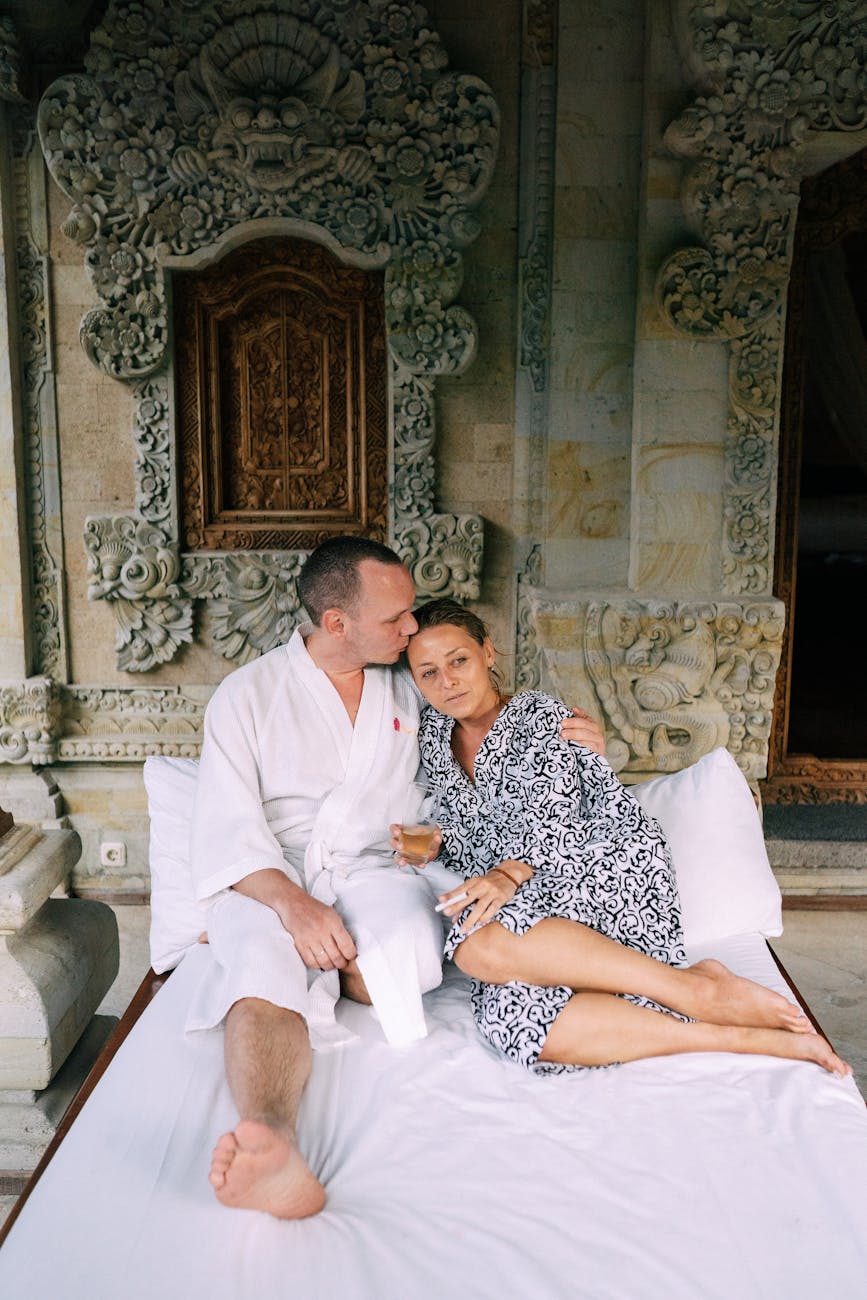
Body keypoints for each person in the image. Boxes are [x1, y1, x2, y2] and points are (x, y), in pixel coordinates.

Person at [190, 537, 606, 1221]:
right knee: (261, 969)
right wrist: (294, 909)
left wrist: (568, 742)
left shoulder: (408, 682)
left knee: (403, 960)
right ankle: (271, 1138)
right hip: (272, 878)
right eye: (395, 619)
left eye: (411, 612)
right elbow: (226, 828)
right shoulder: (246, 697)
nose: (411, 629)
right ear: (335, 624)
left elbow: (484, 733)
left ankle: (338, 971)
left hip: (379, 869)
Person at [404, 598, 852, 1078]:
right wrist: (436, 840)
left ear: (488, 653)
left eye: (459, 661)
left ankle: (685, 990)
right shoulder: (433, 732)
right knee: (514, 1018)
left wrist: (506, 875)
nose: (447, 680)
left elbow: (556, 823)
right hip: (517, 884)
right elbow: (475, 820)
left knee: (477, 943)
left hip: (597, 869)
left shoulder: (539, 715)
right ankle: (729, 1032)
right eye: (428, 672)